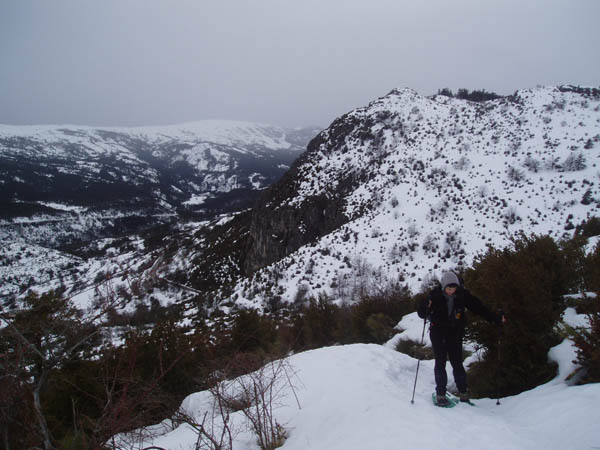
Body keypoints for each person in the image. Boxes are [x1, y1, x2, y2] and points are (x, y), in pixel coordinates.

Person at [417, 271, 503, 406]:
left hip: (455, 333)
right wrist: (424, 306)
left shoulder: (462, 295)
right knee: (440, 362)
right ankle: (441, 394)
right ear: (444, 286)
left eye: (454, 288)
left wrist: (494, 318)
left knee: (457, 363)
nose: (451, 291)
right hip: (438, 333)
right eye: (449, 288)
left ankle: (463, 393)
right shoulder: (434, 296)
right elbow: (422, 314)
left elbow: (478, 307)